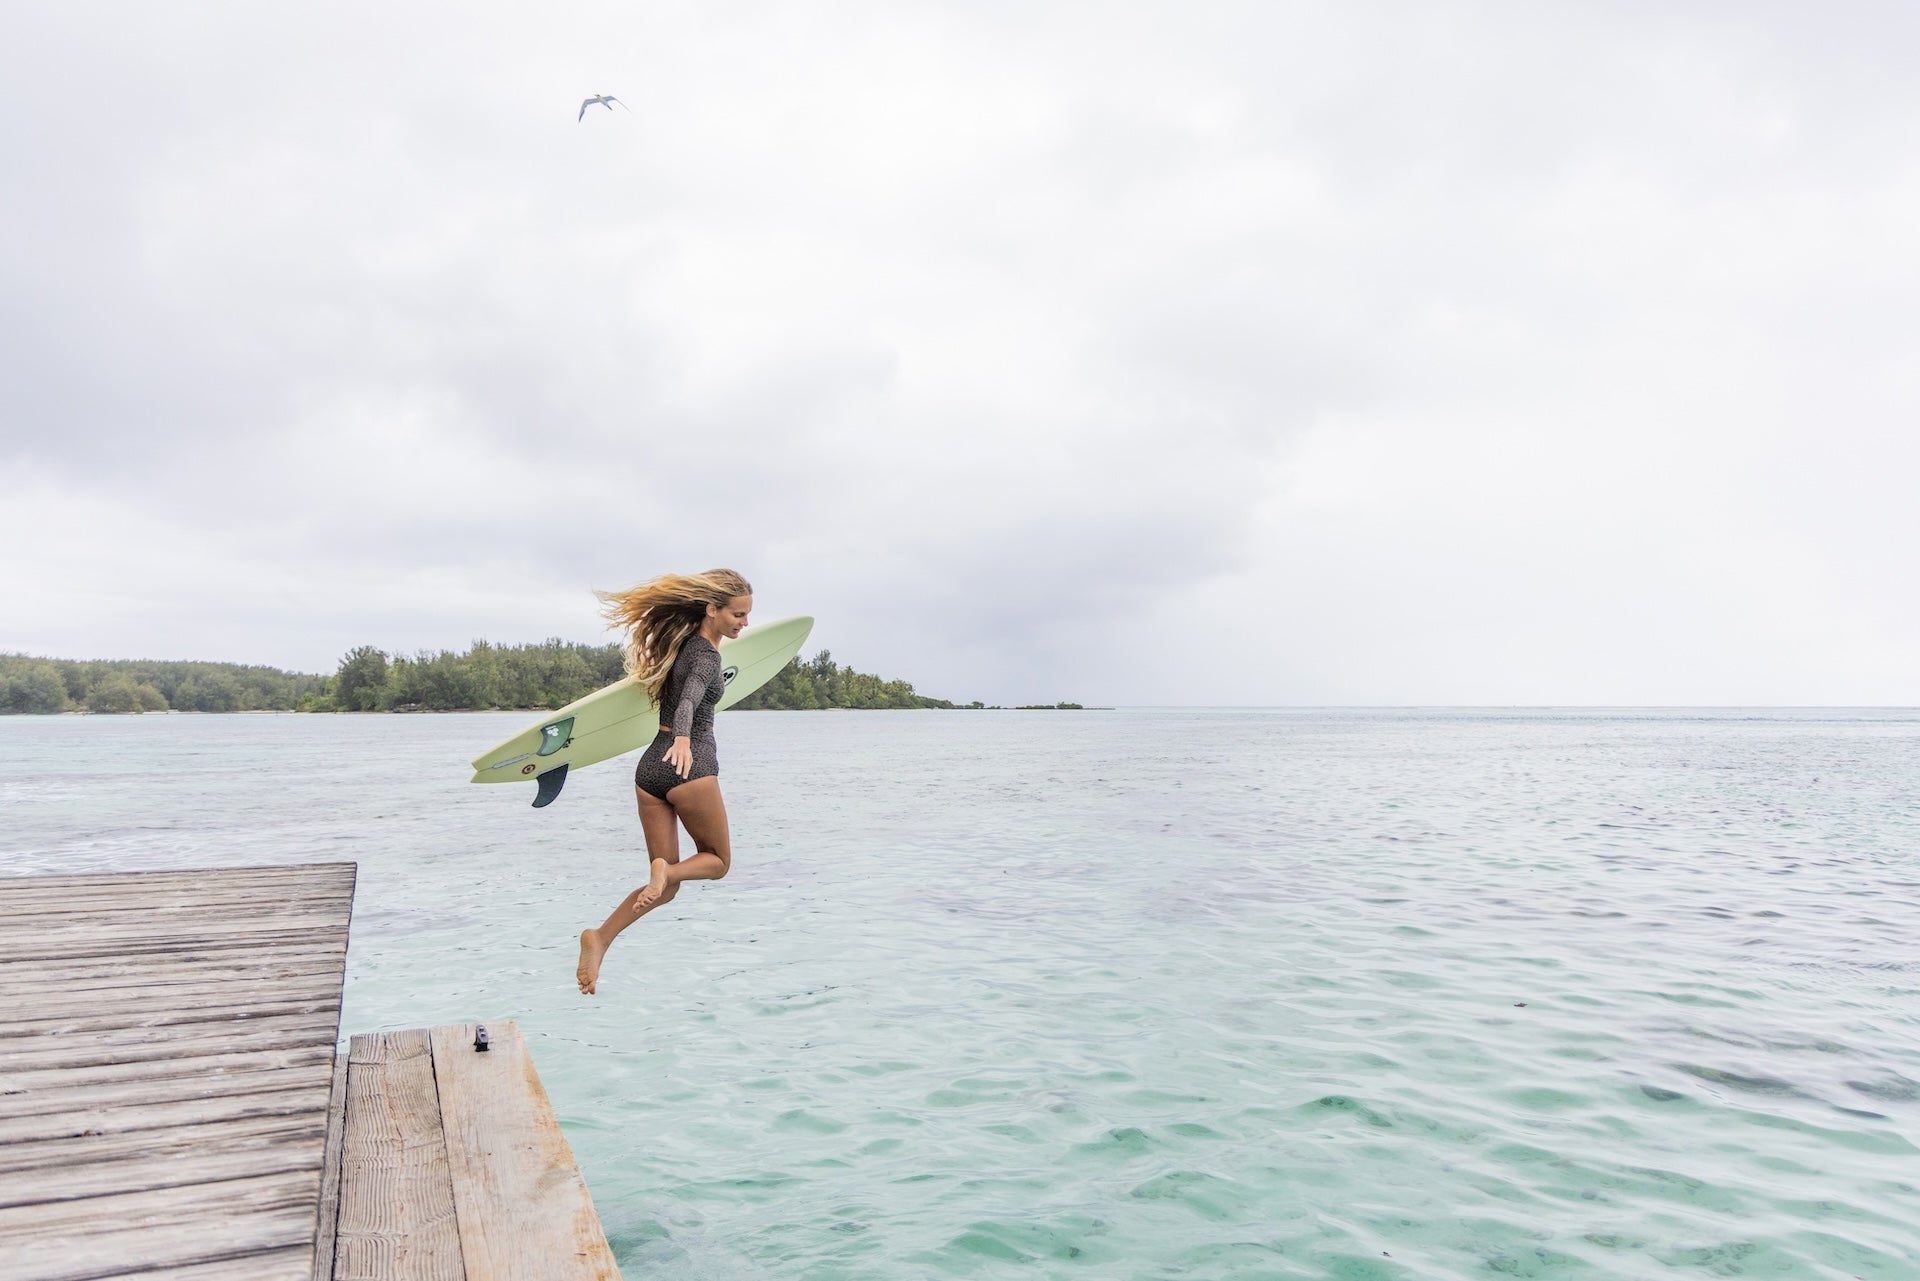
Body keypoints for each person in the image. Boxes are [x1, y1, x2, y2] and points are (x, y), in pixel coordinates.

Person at [576, 569, 752, 995]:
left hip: (650, 769)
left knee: (666, 889)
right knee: (717, 862)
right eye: (738, 614)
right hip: (687, 765)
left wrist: (676, 737)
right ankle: (663, 869)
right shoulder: (707, 655)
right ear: (712, 609)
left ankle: (600, 938)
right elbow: (691, 695)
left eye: (747, 616)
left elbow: (683, 689)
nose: (744, 624)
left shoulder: (684, 644)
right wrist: (686, 738)